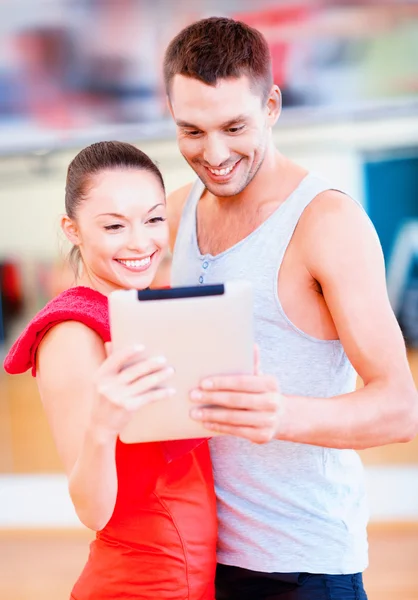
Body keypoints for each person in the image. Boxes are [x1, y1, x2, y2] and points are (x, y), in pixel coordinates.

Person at [163, 17, 418, 600]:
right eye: (192, 132)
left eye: (234, 126)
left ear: (272, 104)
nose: (215, 153)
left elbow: (401, 409)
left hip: (302, 564)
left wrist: (279, 414)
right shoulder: (175, 212)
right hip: (196, 554)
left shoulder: (327, 223)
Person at [3, 141, 217, 600]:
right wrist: (103, 425)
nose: (141, 242)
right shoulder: (71, 332)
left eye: (154, 219)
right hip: (141, 586)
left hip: (192, 576)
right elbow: (92, 511)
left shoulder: (139, 310)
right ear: (73, 230)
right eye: (114, 226)